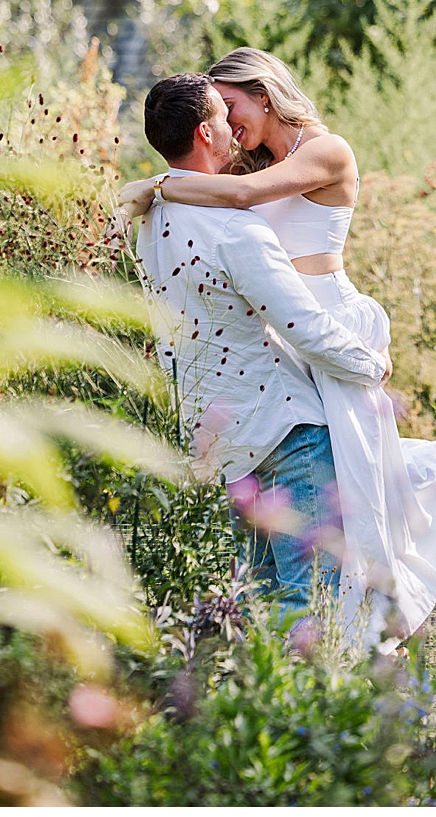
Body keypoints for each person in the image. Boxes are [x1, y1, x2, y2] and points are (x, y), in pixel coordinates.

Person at [121, 49, 436, 640]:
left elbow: (235, 202)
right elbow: (218, 216)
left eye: (232, 104)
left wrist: (160, 185)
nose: (232, 123)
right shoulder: (245, 167)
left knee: (369, 482)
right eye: (221, 114)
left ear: (262, 92)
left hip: (331, 324)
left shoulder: (324, 150)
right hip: (290, 339)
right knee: (367, 476)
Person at [132, 72, 389, 615]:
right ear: (205, 132)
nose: (231, 128)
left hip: (223, 440)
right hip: (285, 429)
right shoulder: (236, 230)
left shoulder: (152, 224)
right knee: (311, 599)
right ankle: (318, 699)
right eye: (223, 117)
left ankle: (263, 700)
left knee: (258, 602)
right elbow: (302, 325)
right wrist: (371, 363)